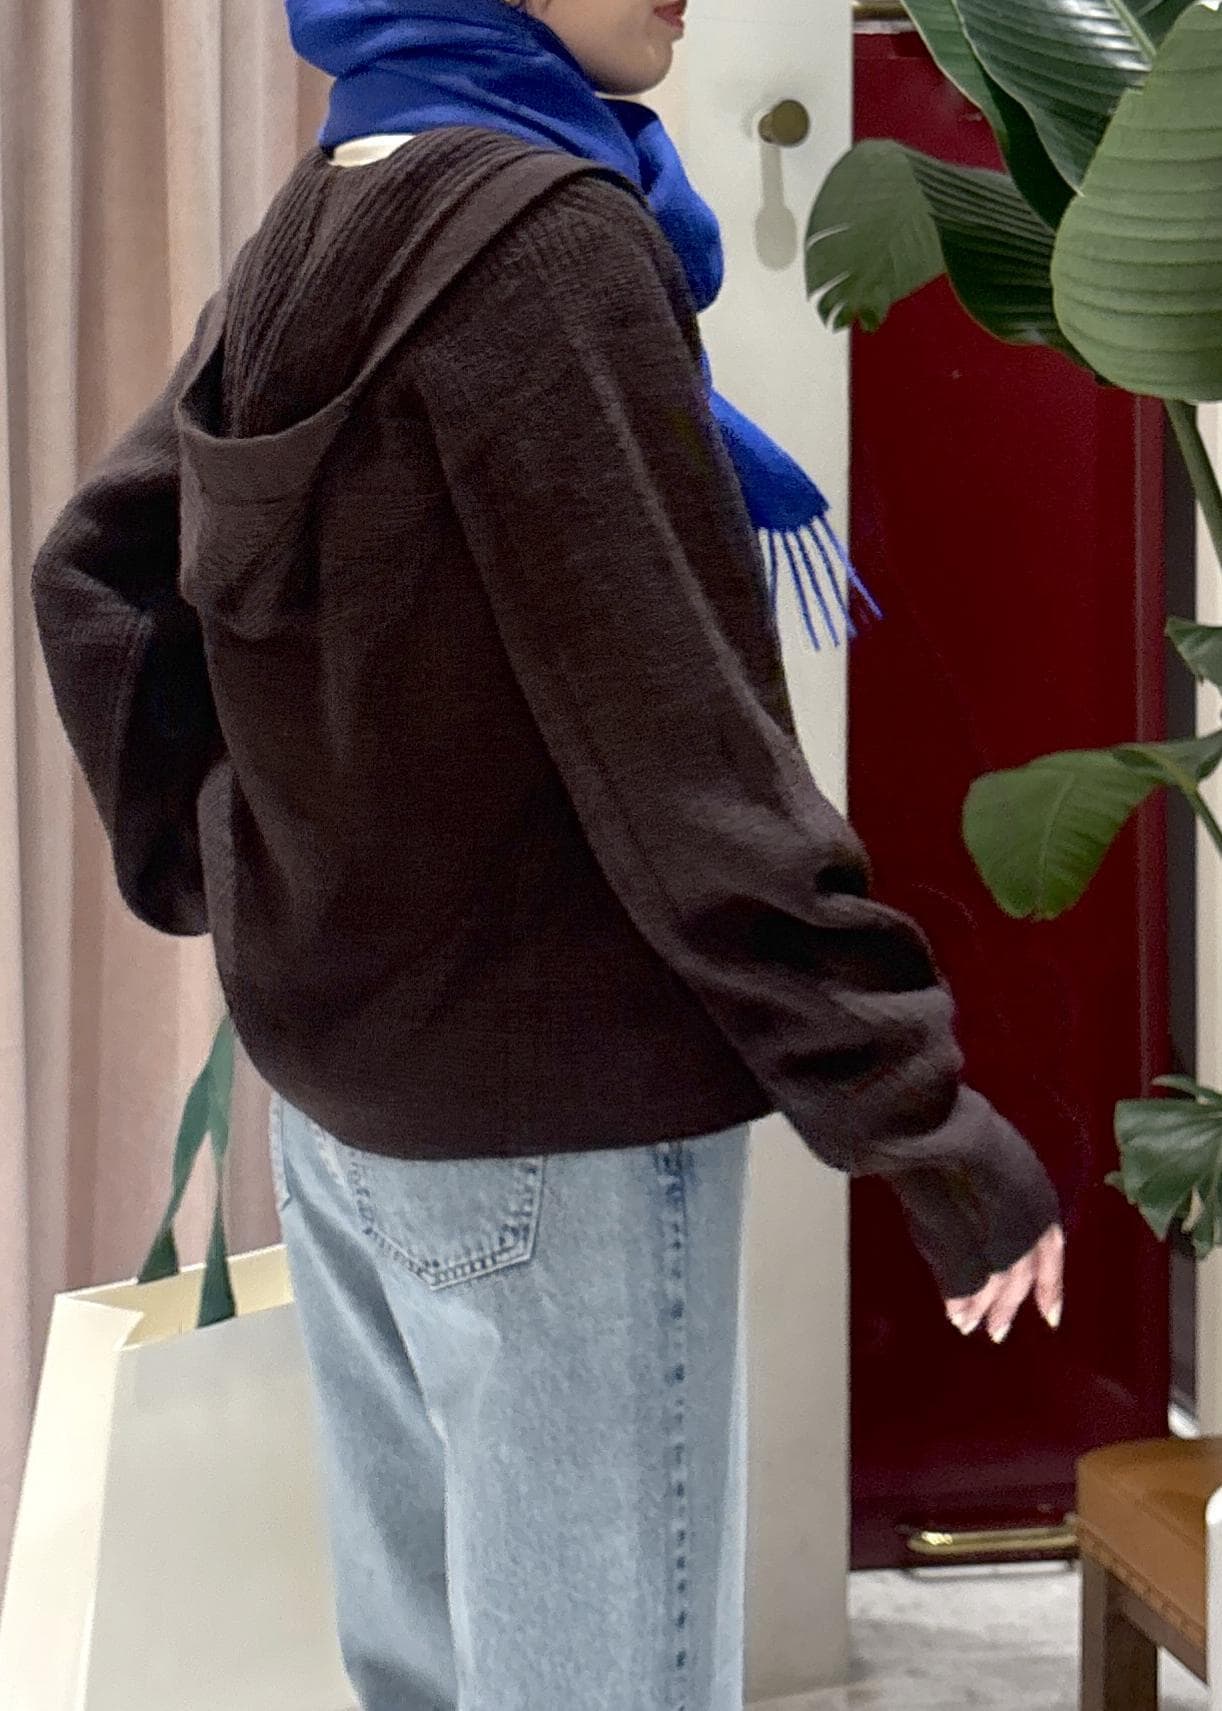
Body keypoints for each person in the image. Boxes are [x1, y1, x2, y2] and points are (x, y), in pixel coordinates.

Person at [30, 0, 1065, 1706]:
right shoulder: (543, 238)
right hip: (554, 1139)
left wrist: (263, 874)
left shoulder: (347, 187)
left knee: (432, 1679)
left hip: (352, 1107)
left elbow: (97, 574)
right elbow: (676, 739)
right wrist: (915, 1113)